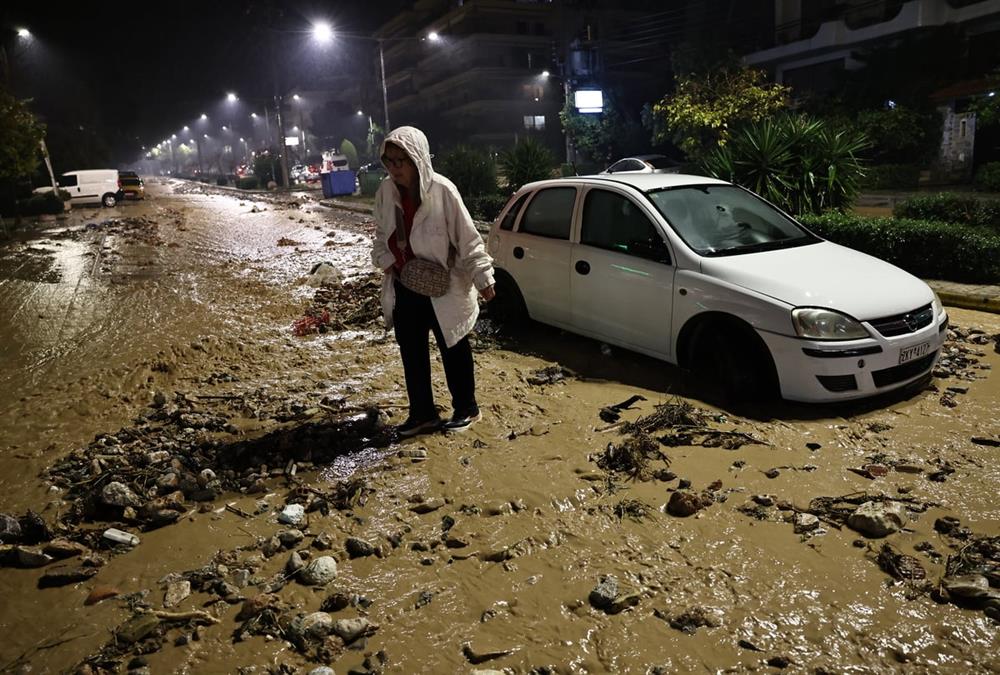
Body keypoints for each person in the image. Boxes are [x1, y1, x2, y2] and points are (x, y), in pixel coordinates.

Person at [371, 126, 496, 436]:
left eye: (402, 161)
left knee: (453, 345)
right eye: (389, 161)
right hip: (404, 283)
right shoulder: (386, 192)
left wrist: (483, 276)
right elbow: (379, 235)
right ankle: (422, 413)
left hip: (444, 286)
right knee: (411, 351)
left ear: (418, 160)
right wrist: (388, 263)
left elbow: (469, 239)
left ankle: (466, 408)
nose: (395, 169)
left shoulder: (443, 191)